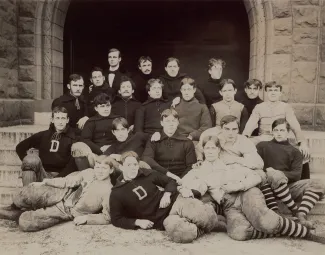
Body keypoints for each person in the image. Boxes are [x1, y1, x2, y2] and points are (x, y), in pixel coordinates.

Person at [181, 136, 325, 244]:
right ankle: (284, 227)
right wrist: (185, 190)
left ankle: (307, 234)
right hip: (228, 205)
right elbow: (183, 183)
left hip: (246, 193)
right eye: (207, 148)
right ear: (203, 150)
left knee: (264, 220)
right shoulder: (198, 170)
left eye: (213, 148)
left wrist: (238, 185)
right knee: (239, 233)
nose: (210, 151)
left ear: (219, 150)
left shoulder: (229, 163)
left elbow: (256, 177)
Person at [109, 151, 220, 243]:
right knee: (183, 235)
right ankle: (200, 219)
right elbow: (116, 219)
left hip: (175, 202)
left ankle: (205, 212)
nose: (133, 168)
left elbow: (170, 181)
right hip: (162, 220)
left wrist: (167, 195)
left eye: (135, 164)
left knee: (207, 217)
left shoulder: (146, 173)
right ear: (121, 167)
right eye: (129, 165)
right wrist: (137, 222)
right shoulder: (116, 193)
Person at [0, 156, 114, 232]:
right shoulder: (89, 172)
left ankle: (15, 214)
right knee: (27, 192)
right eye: (97, 167)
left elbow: (107, 217)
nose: (99, 171)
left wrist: (86, 218)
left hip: (67, 210)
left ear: (111, 170)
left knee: (25, 222)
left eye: (104, 168)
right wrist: (45, 182)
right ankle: (13, 207)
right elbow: (67, 181)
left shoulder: (108, 191)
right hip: (62, 193)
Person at [257, 118, 325, 229]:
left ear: (288, 132)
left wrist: (278, 173)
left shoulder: (295, 151)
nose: (279, 133)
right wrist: (270, 173)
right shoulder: (262, 146)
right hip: (266, 187)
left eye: (282, 130)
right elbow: (254, 165)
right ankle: (290, 210)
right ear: (272, 131)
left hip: (287, 188)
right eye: (276, 130)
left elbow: (296, 175)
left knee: (319, 184)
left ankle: (301, 214)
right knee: (273, 175)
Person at [242, 81, 310, 179]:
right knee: (246, 147)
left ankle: (304, 181)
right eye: (270, 90)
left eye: (276, 90)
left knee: (302, 151)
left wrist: (302, 142)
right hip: (264, 137)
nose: (273, 93)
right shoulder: (259, 107)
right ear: (266, 92)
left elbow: (295, 125)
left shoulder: (286, 107)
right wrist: (245, 136)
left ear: (280, 93)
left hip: (281, 137)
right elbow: (251, 124)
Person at [16, 106, 79, 186]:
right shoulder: (43, 135)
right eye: (57, 118)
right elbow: (20, 147)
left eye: (63, 118)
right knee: (30, 162)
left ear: (67, 120)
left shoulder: (73, 137)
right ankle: (28, 196)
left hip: (61, 177)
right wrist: (28, 164)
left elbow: (72, 164)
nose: (60, 122)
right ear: (52, 120)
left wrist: (56, 180)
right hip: (43, 174)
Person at [142, 109, 197, 184]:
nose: (171, 124)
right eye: (167, 121)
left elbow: (191, 166)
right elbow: (147, 158)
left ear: (178, 122)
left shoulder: (187, 142)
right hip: (160, 178)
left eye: (174, 121)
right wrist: (168, 174)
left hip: (181, 179)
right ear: (162, 123)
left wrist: (181, 180)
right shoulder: (154, 139)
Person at [174, 77, 212, 142]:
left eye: (189, 89)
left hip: (194, 140)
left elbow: (206, 127)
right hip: (176, 139)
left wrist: (192, 136)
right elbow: (170, 124)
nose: (186, 92)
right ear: (181, 90)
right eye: (184, 89)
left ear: (194, 90)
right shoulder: (175, 105)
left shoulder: (202, 106)